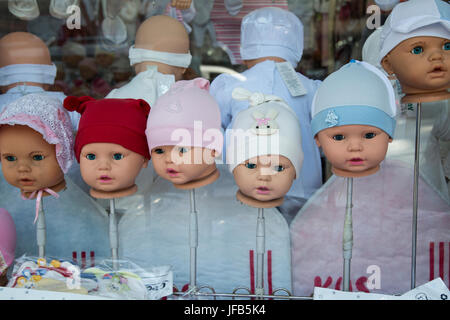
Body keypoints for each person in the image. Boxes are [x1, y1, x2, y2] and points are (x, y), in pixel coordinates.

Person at [210, 7, 322, 223]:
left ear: (246, 50)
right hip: (302, 186)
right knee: (297, 242)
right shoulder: (310, 89)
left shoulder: (229, 86)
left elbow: (214, 134)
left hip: (245, 183)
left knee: (249, 242)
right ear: (296, 46)